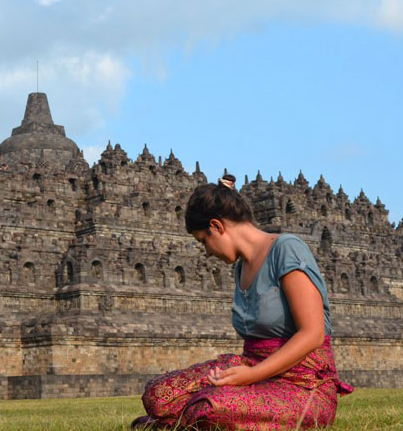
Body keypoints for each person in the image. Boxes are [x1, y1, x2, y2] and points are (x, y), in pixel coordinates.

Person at [133, 174, 352, 430]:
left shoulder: (286, 250)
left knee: (210, 408)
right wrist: (241, 372)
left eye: (204, 241)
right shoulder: (241, 268)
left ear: (217, 226)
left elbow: (313, 334)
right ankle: (185, 419)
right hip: (250, 368)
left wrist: (252, 375)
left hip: (303, 383)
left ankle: (184, 420)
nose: (207, 252)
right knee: (157, 396)